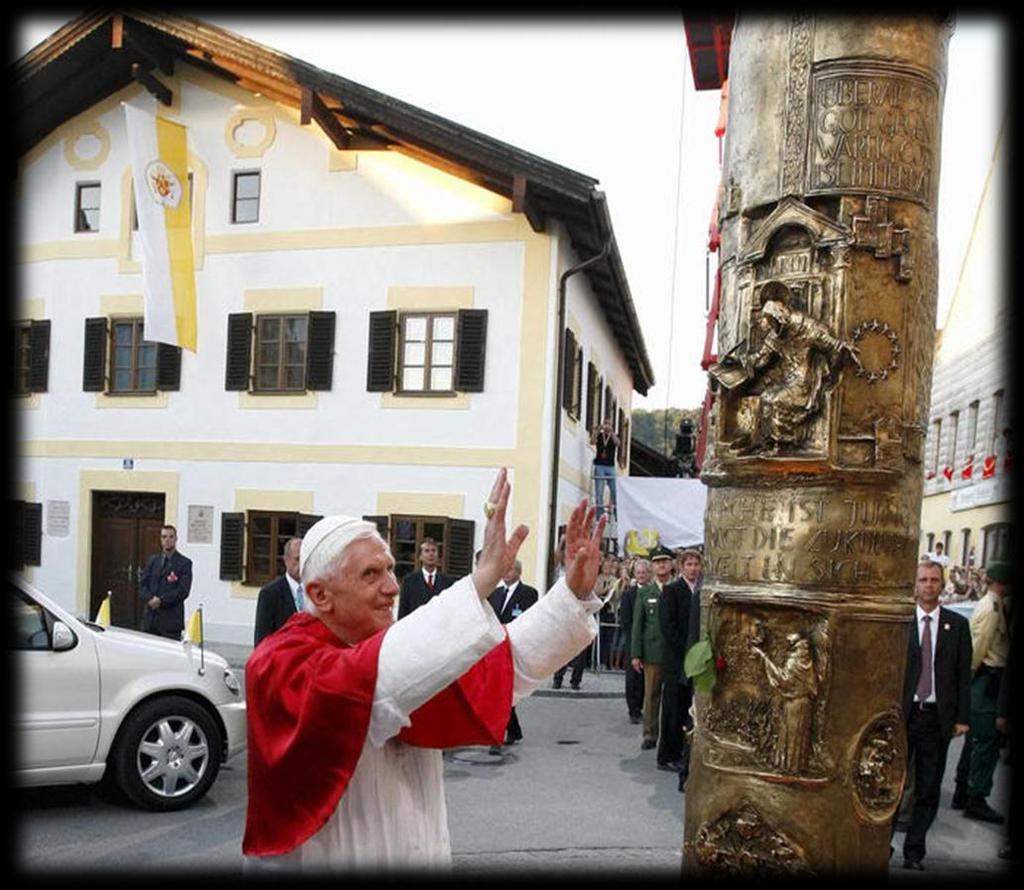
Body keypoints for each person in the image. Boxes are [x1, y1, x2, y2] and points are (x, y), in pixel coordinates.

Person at [243, 468, 606, 872]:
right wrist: (479, 583)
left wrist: (571, 595)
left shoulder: (407, 649)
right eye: (371, 574)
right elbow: (375, 680)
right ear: (320, 594)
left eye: (390, 569)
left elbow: (505, 665)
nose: (393, 587)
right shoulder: (278, 662)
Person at [897, 559, 972, 871]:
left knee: (928, 788)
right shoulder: (902, 623)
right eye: (923, 580)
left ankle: (914, 852)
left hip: (936, 717)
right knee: (893, 785)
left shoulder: (956, 626)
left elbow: (962, 676)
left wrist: (962, 718)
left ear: (942, 585)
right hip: (904, 714)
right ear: (915, 585)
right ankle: (880, 846)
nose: (929, 585)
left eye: (934, 580)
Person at [721, 284, 856, 456]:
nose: (769, 326)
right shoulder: (774, 335)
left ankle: (783, 444)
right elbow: (762, 358)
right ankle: (762, 441)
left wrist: (842, 349)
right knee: (765, 397)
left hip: (805, 379)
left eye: (771, 321)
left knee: (776, 400)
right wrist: (741, 362)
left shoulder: (805, 326)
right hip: (787, 378)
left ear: (780, 316)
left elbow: (828, 342)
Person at [963, 560, 1012, 824]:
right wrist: (969, 678)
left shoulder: (993, 605)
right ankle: (975, 797)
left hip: (986, 680)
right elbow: (979, 648)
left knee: (977, 740)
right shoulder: (993, 609)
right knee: (986, 743)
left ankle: (965, 791)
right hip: (987, 680)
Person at [658, 548, 701, 776]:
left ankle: (684, 753)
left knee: (688, 707)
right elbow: (668, 626)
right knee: (673, 708)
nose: (693, 568)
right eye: (689, 564)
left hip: (696, 659)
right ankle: (667, 755)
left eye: (696, 564)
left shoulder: (701, 591)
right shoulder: (672, 590)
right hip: (677, 659)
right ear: (681, 567)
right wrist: (685, 650)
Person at [487, 559, 538, 746]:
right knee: (500, 692)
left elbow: (529, 619)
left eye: (509, 570)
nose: (505, 573)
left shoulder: (529, 593)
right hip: (494, 648)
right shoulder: (495, 593)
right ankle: (511, 730)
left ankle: (499, 734)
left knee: (503, 692)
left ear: (518, 571)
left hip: (514, 648)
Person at [632, 546, 672, 750]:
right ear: (653, 566)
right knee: (651, 695)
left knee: (673, 696)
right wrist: (636, 654)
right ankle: (650, 733)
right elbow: (637, 624)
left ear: (671, 564)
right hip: (652, 651)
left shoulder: (677, 589)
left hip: (673, 652)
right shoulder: (646, 592)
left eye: (665, 561)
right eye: (657, 562)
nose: (661, 565)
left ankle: (671, 735)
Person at [138, 524, 192, 639]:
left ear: (176, 539)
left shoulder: (184, 563)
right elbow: (142, 585)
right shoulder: (153, 560)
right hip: (150, 621)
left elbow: (183, 591)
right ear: (160, 539)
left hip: (170, 623)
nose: (167, 540)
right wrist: (150, 599)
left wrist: (161, 601)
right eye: (164, 537)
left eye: (171, 537)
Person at [254, 537, 304, 646]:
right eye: (298, 559)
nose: (302, 565)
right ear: (286, 560)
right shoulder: (270, 594)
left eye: (305, 560)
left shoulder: (316, 590)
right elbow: (262, 638)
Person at [619, 557, 650, 723]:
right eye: (638, 572)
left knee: (645, 677)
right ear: (634, 574)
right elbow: (625, 619)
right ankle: (633, 710)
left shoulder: (654, 591)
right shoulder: (629, 594)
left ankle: (641, 706)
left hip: (649, 641)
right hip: (633, 639)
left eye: (644, 572)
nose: (641, 575)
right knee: (632, 677)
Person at [396, 537, 452, 619]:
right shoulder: (409, 582)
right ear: (420, 557)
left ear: (438, 555)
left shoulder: (447, 582)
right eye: (427, 551)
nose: (431, 554)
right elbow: (403, 612)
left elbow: (450, 612)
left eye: (433, 550)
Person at [591, 418, 619, 520]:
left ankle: (616, 516)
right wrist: (598, 430)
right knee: (599, 492)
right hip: (599, 466)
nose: (607, 426)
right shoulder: (599, 435)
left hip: (610, 467)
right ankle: (600, 516)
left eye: (609, 424)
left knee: (615, 491)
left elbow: (617, 443)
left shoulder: (613, 436)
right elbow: (592, 441)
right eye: (606, 424)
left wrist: (612, 433)